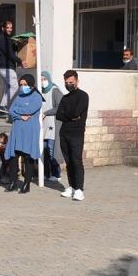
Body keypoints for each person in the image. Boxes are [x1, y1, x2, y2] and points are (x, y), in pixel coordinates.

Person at [4, 74, 43, 194]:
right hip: (17, 130)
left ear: (31, 84)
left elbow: (30, 110)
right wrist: (20, 115)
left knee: (27, 157)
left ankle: (27, 183)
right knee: (14, 156)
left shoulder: (37, 97)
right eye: (21, 84)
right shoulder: (19, 96)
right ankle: (13, 182)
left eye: (25, 84)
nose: (22, 87)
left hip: (29, 131)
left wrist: (17, 111)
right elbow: (11, 110)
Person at [56, 70, 89, 201]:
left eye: (71, 82)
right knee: (68, 162)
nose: (68, 84)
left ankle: (79, 189)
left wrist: (68, 114)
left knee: (76, 161)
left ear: (76, 81)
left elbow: (77, 113)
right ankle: (72, 187)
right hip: (64, 133)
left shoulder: (83, 96)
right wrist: (71, 115)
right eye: (66, 82)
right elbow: (59, 115)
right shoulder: (65, 98)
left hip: (77, 134)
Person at [40, 71, 64, 182]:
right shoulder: (40, 91)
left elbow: (60, 107)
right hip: (43, 124)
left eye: (44, 79)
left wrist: (46, 113)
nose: (42, 81)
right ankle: (46, 173)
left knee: (51, 149)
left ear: (48, 79)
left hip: (53, 124)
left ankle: (56, 173)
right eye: (40, 79)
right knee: (44, 149)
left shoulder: (55, 90)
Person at [0, 20, 21, 113]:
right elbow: (10, 54)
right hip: (6, 67)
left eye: (11, 27)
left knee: (8, 87)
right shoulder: (3, 40)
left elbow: (11, 51)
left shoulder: (7, 39)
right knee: (14, 86)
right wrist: (21, 61)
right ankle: (3, 105)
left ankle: (2, 106)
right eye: (8, 28)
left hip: (5, 67)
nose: (10, 29)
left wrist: (16, 44)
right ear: (3, 28)